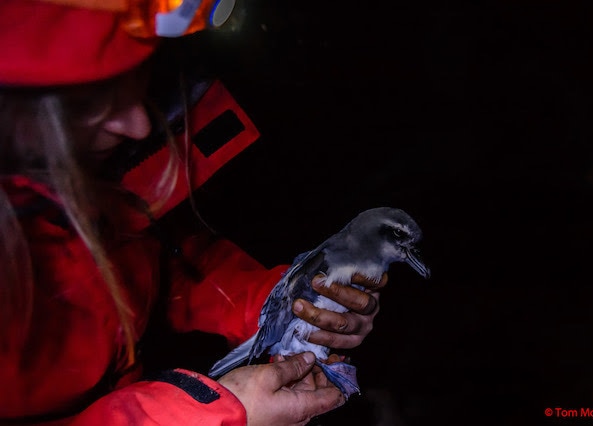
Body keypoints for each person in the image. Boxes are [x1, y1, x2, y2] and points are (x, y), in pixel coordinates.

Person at [0, 1, 389, 425]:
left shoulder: (95, 171)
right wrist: (208, 416)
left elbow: (160, 262)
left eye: (138, 78)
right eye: (85, 106)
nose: (140, 126)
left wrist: (278, 302)